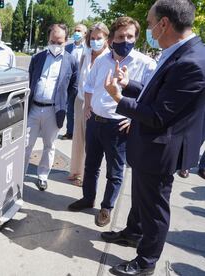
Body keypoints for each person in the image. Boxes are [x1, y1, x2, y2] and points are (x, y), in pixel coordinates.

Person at [102, 1, 205, 274]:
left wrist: (118, 98)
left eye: (149, 23)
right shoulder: (178, 51)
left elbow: (159, 115)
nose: (148, 28)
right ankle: (132, 232)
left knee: (154, 208)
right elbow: (157, 92)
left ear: (164, 24)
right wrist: (129, 85)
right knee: (141, 198)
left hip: (161, 149)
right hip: (149, 145)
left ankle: (146, 262)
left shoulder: (192, 61)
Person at [68, 17, 156, 229]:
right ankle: (88, 198)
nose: (125, 40)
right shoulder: (101, 61)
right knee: (91, 166)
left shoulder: (145, 64)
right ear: (112, 39)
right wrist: (88, 106)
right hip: (95, 122)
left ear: (135, 38)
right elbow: (89, 86)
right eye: (120, 36)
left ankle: (106, 207)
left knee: (115, 172)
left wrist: (134, 120)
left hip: (119, 127)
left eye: (130, 36)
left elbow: (150, 98)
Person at [25, 24, 78, 191]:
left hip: (54, 111)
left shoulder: (71, 60)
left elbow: (74, 87)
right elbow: (30, 80)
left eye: (59, 42)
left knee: (49, 145)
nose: (56, 44)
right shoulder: (38, 58)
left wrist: (63, 103)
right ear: (48, 39)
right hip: (33, 108)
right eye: (52, 41)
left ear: (66, 40)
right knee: (26, 144)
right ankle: (20, 174)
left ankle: (42, 176)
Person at [67, 22, 110, 187]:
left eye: (99, 38)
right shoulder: (86, 54)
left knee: (91, 142)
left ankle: (86, 176)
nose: (95, 41)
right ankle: (75, 171)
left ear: (106, 38)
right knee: (78, 137)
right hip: (80, 100)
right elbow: (80, 78)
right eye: (92, 38)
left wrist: (92, 104)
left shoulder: (108, 57)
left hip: (95, 105)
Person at [61, 24, 88, 140]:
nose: (76, 32)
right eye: (75, 30)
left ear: (85, 34)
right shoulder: (67, 48)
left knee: (83, 110)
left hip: (84, 84)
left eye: (79, 31)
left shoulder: (88, 49)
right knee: (70, 110)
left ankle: (83, 134)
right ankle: (70, 132)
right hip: (70, 84)